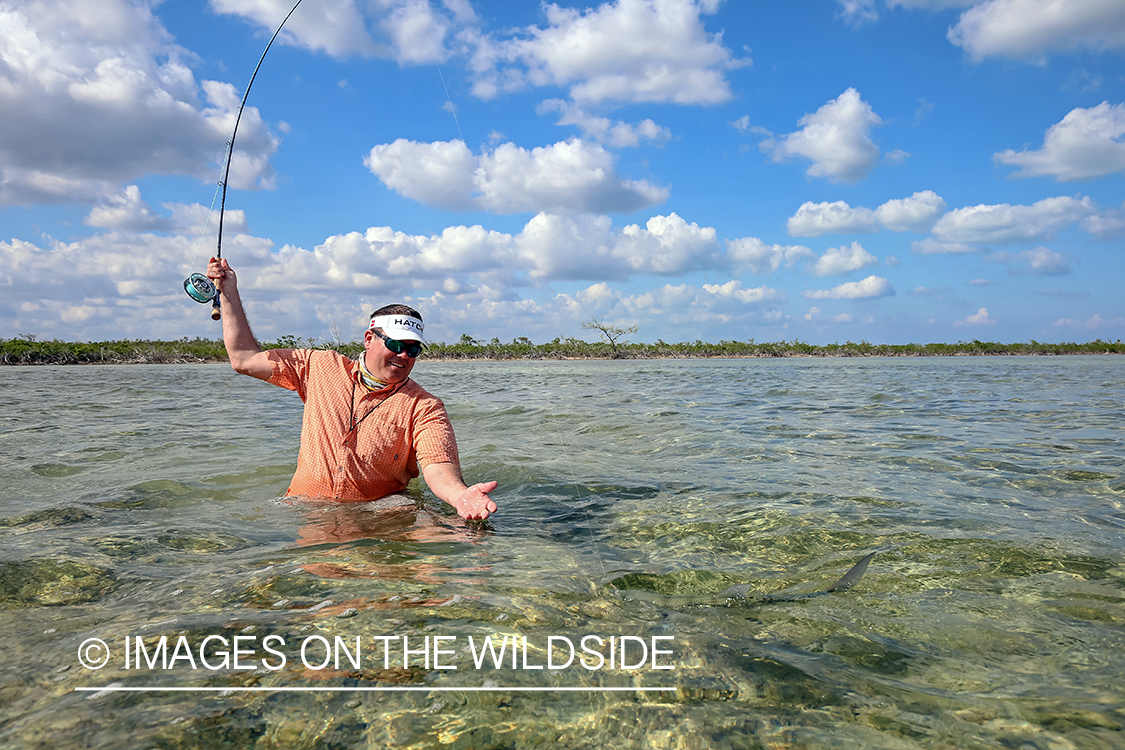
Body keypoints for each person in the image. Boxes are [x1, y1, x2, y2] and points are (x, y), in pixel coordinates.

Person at [205, 256, 497, 521]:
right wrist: (228, 291)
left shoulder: (425, 406)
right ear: (369, 338)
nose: (404, 355)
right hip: (306, 509)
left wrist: (459, 496)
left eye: (413, 350)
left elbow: (438, 467)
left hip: (380, 515)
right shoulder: (318, 366)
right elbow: (243, 359)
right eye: (395, 345)